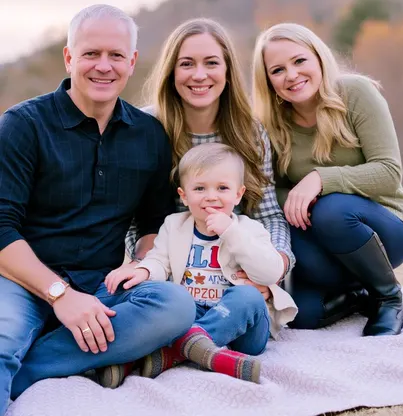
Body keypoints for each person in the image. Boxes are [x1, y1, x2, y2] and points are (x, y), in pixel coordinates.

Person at [0, 4, 195, 415]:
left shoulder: (148, 135)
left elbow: (152, 225)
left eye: (115, 55)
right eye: (90, 54)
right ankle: (45, 352)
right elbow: (2, 229)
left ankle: (31, 366)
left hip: (103, 286)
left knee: (174, 305)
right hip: (23, 282)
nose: (103, 66)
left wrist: (140, 265)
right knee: (3, 338)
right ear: (70, 57)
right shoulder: (23, 125)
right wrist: (60, 296)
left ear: (132, 62)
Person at [252, 22, 403, 335]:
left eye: (299, 61)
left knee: (333, 209)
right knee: (297, 313)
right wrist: (298, 197)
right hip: (325, 244)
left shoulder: (355, 93)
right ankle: (357, 294)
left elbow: (389, 171)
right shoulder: (271, 124)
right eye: (278, 69)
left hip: (385, 229)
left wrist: (319, 180)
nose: (292, 75)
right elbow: (272, 191)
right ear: (268, 80)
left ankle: (388, 296)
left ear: (318, 58)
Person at [104, 143, 297, 385]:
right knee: (161, 307)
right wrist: (143, 269)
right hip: (190, 315)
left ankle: (165, 353)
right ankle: (194, 351)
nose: (211, 196)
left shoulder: (250, 230)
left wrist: (231, 232)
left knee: (247, 296)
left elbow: (270, 271)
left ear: (238, 194)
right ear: (184, 196)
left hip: (241, 328)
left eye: (223, 188)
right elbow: (159, 261)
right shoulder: (174, 225)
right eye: (199, 188)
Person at [126, 18, 295, 278]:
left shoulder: (249, 130)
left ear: (227, 71)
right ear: (171, 72)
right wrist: (141, 262)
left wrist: (275, 266)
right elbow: (125, 218)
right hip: (165, 264)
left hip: (234, 263)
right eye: (186, 64)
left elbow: (269, 214)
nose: (199, 75)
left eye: (211, 63)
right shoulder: (144, 127)